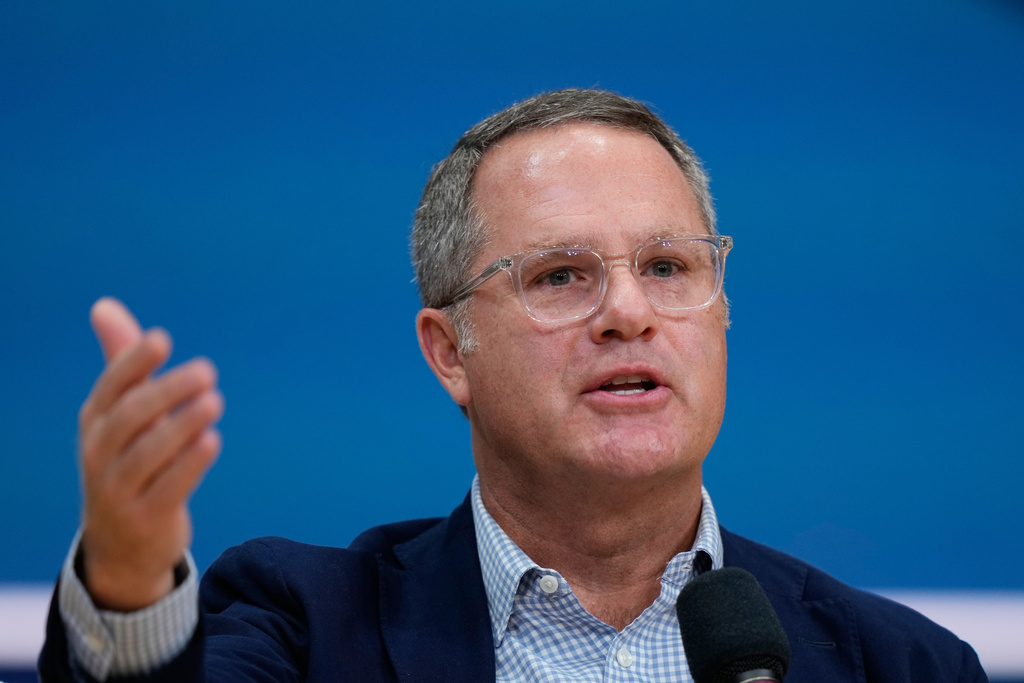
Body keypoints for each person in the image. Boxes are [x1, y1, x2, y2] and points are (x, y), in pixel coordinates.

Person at [39, 89, 988, 682]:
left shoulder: (903, 665)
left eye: (668, 266)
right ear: (450, 351)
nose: (628, 312)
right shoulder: (303, 625)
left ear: (722, 309)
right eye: (560, 275)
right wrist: (128, 579)